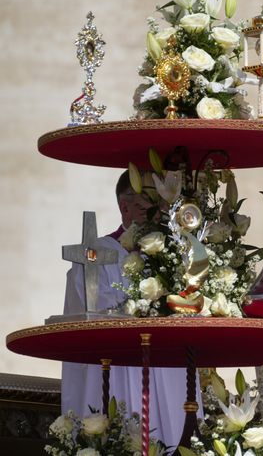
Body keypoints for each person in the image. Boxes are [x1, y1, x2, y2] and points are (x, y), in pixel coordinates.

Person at [61, 170, 197, 449]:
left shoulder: (172, 254)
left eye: (161, 206)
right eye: (149, 207)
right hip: (118, 362)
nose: (158, 215)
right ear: (126, 207)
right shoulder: (97, 253)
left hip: (167, 363)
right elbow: (96, 307)